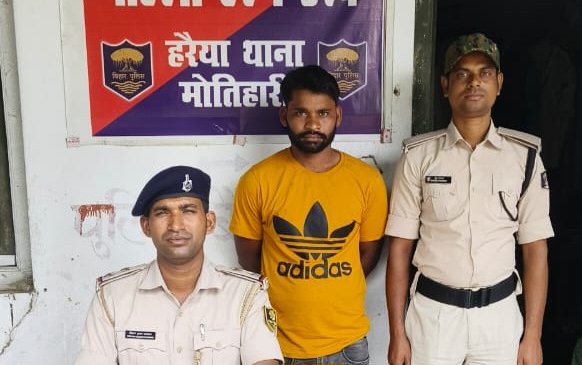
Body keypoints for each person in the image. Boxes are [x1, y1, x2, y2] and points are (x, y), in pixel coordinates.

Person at [385, 33, 554, 365]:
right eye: (462, 73)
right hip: (433, 318)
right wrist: (397, 333)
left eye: (484, 73)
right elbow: (400, 249)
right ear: (445, 85)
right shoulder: (418, 158)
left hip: (499, 318)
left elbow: (535, 250)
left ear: (499, 83)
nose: (474, 82)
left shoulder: (525, 159)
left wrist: (533, 335)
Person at [229, 65, 388, 364]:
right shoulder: (257, 180)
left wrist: (328, 281)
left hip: (347, 344)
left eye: (323, 113)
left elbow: (368, 254)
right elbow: (249, 260)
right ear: (284, 115)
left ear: (337, 115)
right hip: (277, 344)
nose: (313, 124)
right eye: (301, 112)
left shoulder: (367, 180)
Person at [75, 166, 283, 365]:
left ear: (209, 222)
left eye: (188, 211)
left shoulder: (246, 294)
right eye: (162, 212)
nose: (176, 225)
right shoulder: (112, 296)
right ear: (146, 226)